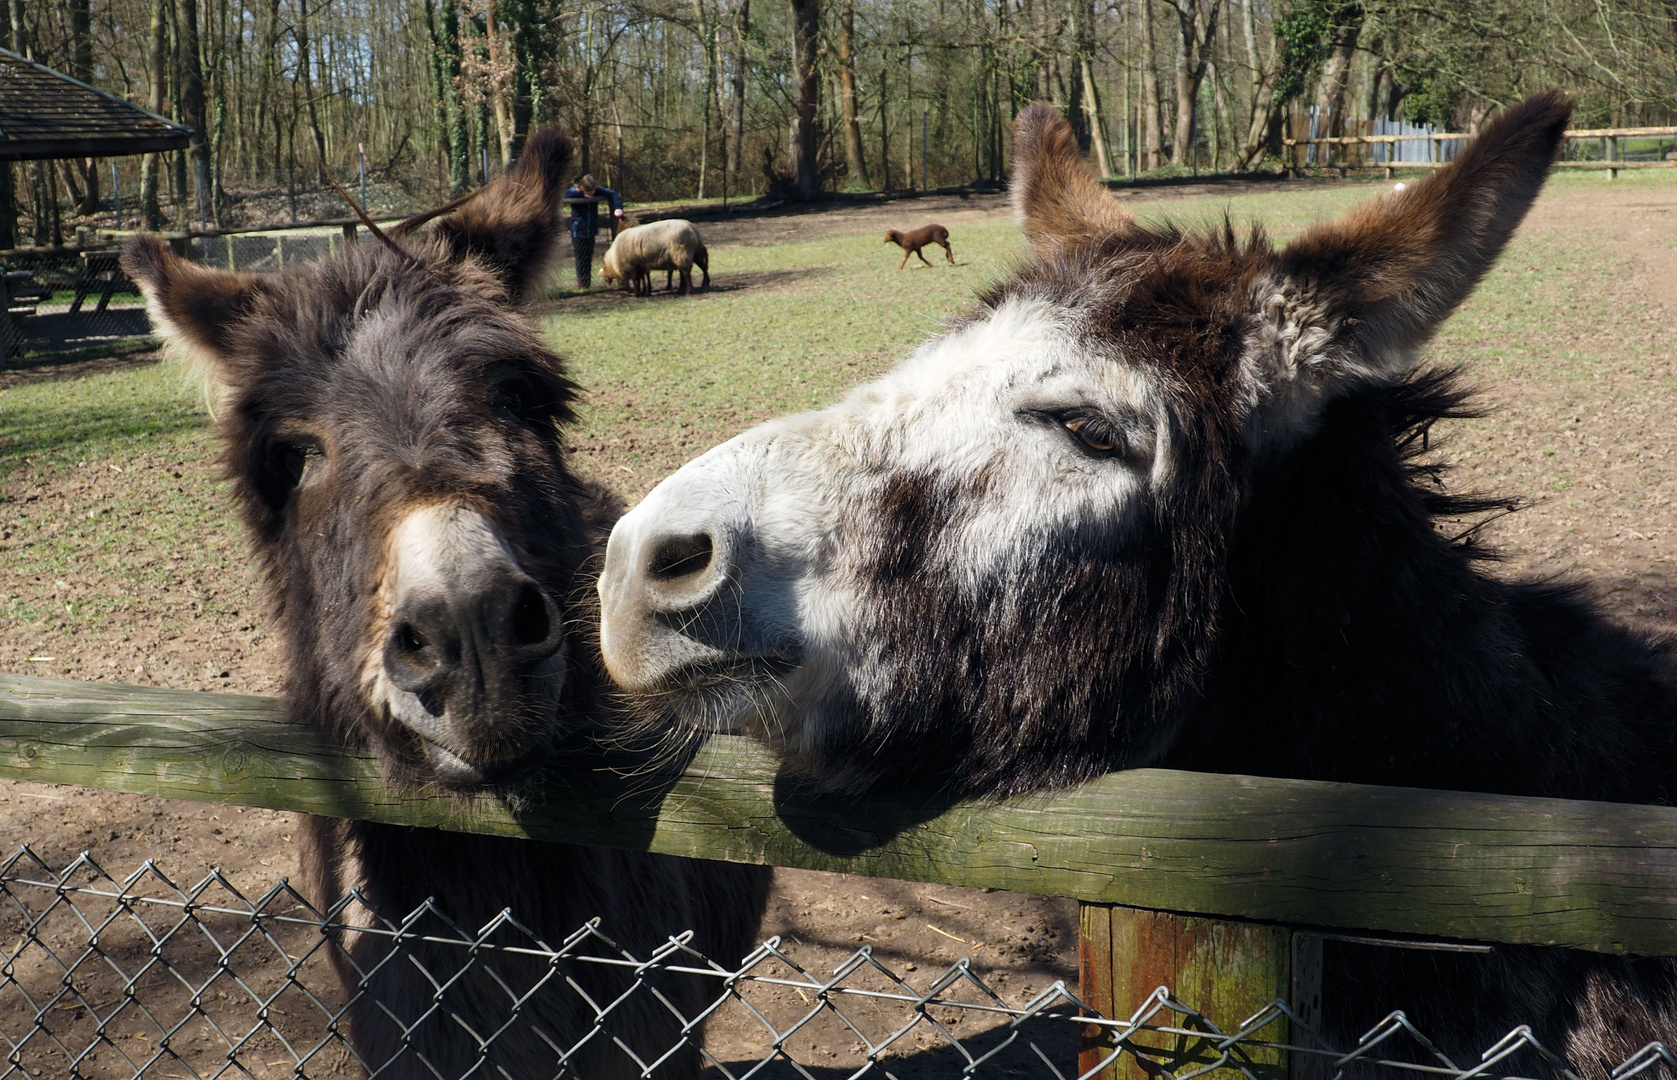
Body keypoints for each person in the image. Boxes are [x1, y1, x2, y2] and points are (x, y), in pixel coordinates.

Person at [564, 174, 623, 288]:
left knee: (588, 255)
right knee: (580, 258)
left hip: (591, 230)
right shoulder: (575, 192)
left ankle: (588, 282)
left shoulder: (597, 191)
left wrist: (618, 207)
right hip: (578, 231)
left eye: (593, 191)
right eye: (588, 192)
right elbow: (565, 194)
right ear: (581, 187)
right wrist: (581, 194)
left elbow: (613, 194)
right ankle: (582, 283)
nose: (591, 194)